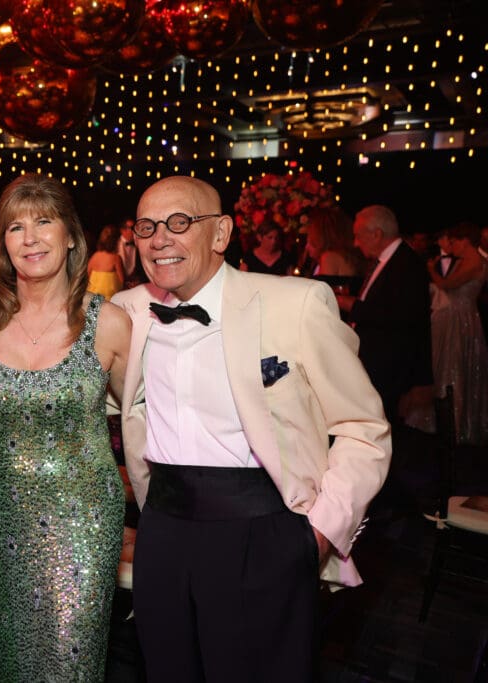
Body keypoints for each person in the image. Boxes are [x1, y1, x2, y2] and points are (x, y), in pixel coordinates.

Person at [113, 176, 390, 682]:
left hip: (263, 530)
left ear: (220, 234)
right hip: (163, 530)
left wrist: (320, 531)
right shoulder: (127, 312)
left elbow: (363, 427)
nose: (159, 239)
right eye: (147, 226)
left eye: (179, 223)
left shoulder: (296, 303)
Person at [0, 173, 132, 681]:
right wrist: (5, 443)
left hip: (84, 515)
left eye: (43, 221)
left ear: (71, 235)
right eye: (15, 227)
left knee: (70, 653)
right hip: (5, 505)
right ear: (2, 244)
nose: (29, 237)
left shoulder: (109, 322)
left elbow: (137, 413)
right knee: (8, 646)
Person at [337, 205, 433, 425]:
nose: (355, 243)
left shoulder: (407, 263)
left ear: (376, 234)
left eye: (358, 236)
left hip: (392, 368)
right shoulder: (387, 261)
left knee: (386, 428)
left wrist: (350, 304)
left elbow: (401, 316)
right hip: (379, 362)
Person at [428, 221, 488, 444]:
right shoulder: (470, 260)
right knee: (454, 365)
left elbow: (448, 284)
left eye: (455, 241)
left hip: (458, 318)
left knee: (453, 366)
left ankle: (454, 423)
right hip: (463, 317)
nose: (452, 245)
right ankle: (453, 421)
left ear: (465, 241)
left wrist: (431, 269)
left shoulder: (473, 261)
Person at [87, 224, 125, 299]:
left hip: (94, 298)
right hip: (111, 299)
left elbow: (87, 274)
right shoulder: (116, 258)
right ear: (116, 241)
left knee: (93, 311)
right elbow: (121, 281)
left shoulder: (95, 256)